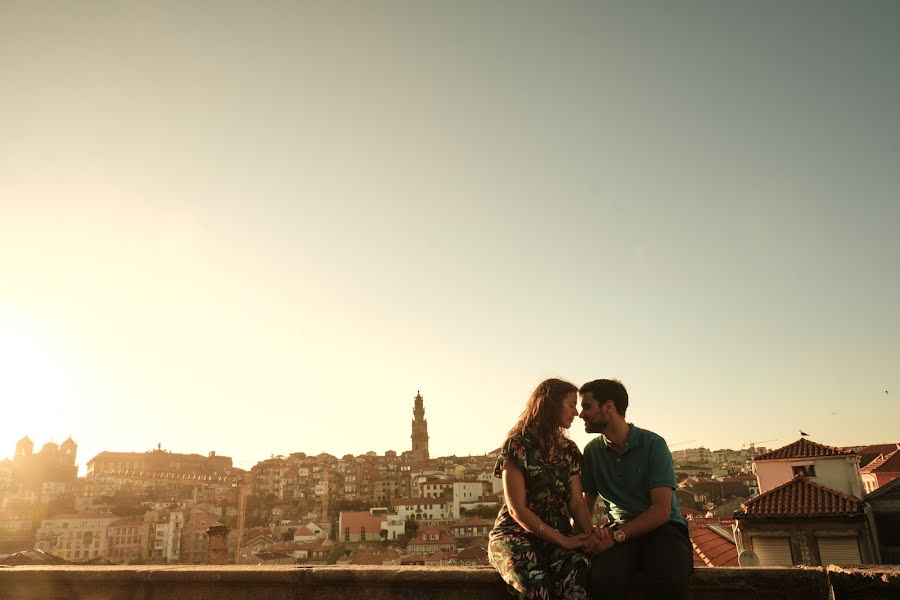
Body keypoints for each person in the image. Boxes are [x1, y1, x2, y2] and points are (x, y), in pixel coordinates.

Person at [578, 379, 693, 600]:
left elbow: (661, 511)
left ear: (608, 407)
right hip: (620, 531)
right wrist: (588, 536)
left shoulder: (652, 444)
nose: (581, 415)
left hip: (664, 529)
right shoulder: (592, 452)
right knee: (601, 579)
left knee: (669, 578)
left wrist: (616, 536)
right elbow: (584, 505)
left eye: (587, 406)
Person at [489, 378, 598, 599]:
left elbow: (577, 502)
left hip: (557, 535)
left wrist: (590, 537)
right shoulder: (518, 445)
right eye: (571, 405)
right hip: (516, 534)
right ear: (551, 405)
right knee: (535, 582)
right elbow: (517, 509)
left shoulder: (569, 450)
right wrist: (563, 540)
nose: (576, 413)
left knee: (577, 570)